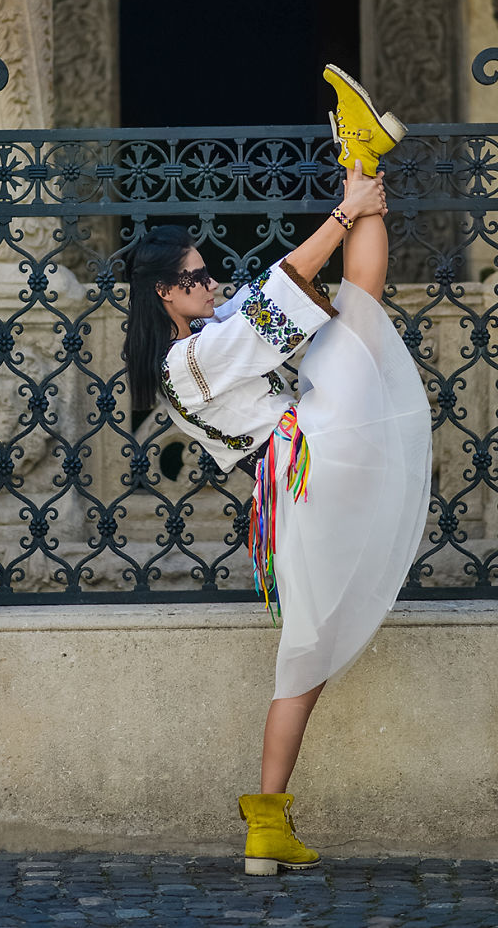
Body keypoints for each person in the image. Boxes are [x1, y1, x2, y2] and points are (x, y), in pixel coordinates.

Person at [123, 66, 433, 875]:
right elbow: (283, 292)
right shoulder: (186, 364)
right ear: (165, 294)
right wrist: (347, 208)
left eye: (205, 271)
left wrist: (357, 208)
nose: (208, 280)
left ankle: (267, 826)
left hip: (307, 471)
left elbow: (286, 298)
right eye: (194, 277)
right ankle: (360, 162)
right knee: (357, 305)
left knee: (309, 655)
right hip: (308, 460)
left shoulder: (206, 334)